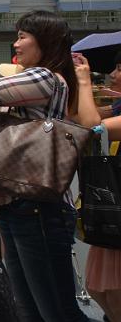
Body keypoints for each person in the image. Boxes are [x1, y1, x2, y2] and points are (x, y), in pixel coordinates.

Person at [0, 10, 98, 322]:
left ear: (46, 41)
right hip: (19, 206)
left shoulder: (44, 78)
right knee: (30, 312)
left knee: (58, 313)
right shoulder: (42, 80)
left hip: (39, 208)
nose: (16, 44)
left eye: (23, 36)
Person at [88, 49, 121, 320]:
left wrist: (84, 83)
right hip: (114, 206)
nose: (112, 75)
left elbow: (93, 125)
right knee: (101, 290)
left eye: (120, 68)